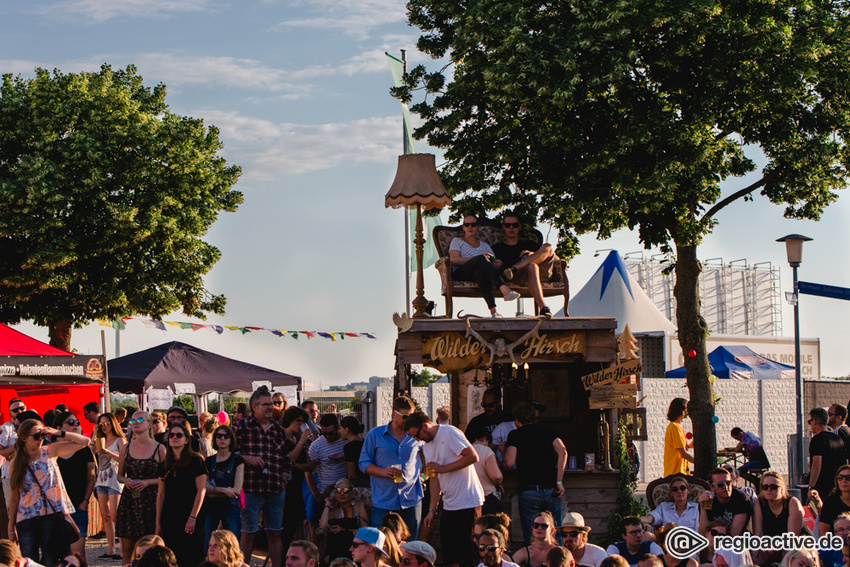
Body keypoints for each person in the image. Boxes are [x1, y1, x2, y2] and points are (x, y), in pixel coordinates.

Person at [7, 418, 91, 567]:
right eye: (36, 436)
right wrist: (10, 527)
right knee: (28, 561)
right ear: (24, 437)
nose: (41, 439)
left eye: (43, 435)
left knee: (52, 560)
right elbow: (14, 496)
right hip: (26, 518)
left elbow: (84, 441)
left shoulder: (50, 451)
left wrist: (58, 432)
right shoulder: (16, 461)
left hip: (51, 516)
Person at [406, 411, 484, 567]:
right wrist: (431, 511)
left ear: (425, 426)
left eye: (417, 435)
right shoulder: (426, 446)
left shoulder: (449, 432)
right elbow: (434, 479)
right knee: (449, 554)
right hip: (449, 504)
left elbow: (473, 456)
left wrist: (444, 468)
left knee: (467, 554)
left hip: (467, 500)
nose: (417, 439)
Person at [232, 386, 289, 567]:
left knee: (275, 532)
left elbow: (285, 457)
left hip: (274, 487)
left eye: (271, 404)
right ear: (254, 406)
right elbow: (229, 454)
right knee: (248, 532)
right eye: (265, 405)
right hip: (250, 487)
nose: (270, 407)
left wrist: (284, 480)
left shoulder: (278, 429)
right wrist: (248, 458)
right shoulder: (241, 426)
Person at [359, 396, 424, 536]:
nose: (409, 420)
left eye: (412, 416)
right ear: (393, 414)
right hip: (384, 500)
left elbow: (430, 460)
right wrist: (384, 472)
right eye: (405, 416)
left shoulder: (416, 435)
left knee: (410, 545)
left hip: (410, 499)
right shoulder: (375, 435)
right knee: (381, 543)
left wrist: (423, 476)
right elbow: (363, 463)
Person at [504, 402, 567, 544]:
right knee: (555, 534)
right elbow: (563, 451)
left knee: (532, 537)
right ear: (534, 418)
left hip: (529, 490)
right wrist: (559, 481)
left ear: (517, 421)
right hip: (551, 489)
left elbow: (509, 462)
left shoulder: (515, 434)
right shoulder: (548, 432)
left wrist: (503, 451)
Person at [115, 411, 166, 564]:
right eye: (132, 420)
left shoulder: (160, 449)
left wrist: (148, 482)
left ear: (150, 424)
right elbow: (119, 475)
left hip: (151, 502)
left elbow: (167, 479)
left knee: (152, 551)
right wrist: (126, 480)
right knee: (127, 552)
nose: (135, 422)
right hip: (130, 501)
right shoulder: (126, 448)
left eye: (139, 419)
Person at [155, 422, 207, 567]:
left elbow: (201, 490)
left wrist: (193, 517)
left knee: (191, 556)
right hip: (170, 516)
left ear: (186, 440)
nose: (174, 438)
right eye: (171, 435)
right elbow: (161, 495)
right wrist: (158, 522)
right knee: (172, 557)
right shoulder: (164, 465)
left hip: (191, 515)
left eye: (179, 435)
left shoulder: (196, 461)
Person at [450, 214, 520, 317]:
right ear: (463, 227)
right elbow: (454, 259)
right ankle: (503, 288)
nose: (470, 227)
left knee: (480, 272)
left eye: (473, 224)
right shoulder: (457, 241)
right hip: (461, 272)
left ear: (478, 227)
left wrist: (498, 263)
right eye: (467, 224)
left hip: (476, 274)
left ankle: (493, 311)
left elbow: (491, 262)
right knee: (481, 258)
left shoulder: (484, 245)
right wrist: (476, 259)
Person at [492, 211, 556, 315]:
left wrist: (534, 254)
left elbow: (553, 255)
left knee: (548, 247)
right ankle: (543, 308)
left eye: (515, 225)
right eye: (508, 225)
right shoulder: (498, 248)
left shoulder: (529, 244)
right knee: (532, 266)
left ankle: (515, 267)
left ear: (519, 227)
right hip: (516, 276)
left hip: (540, 274)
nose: (511, 228)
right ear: (503, 227)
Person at [53, 411, 95, 556]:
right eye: (70, 423)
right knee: (59, 552)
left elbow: (91, 478)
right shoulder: (51, 450)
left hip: (78, 504)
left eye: (77, 422)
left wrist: (85, 500)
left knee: (77, 552)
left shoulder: (84, 450)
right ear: (59, 427)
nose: (76, 425)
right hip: (57, 508)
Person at [205, 424, 244, 552]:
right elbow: (204, 487)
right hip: (210, 506)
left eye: (226, 436)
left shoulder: (238, 461)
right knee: (207, 543)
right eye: (219, 436)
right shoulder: (208, 461)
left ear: (231, 439)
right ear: (214, 439)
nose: (222, 439)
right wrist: (224, 490)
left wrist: (214, 490)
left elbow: (236, 490)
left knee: (233, 543)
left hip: (230, 506)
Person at [305, 413, 349, 528]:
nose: (328, 437)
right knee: (323, 526)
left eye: (331, 433)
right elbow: (308, 471)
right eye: (324, 434)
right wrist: (316, 494)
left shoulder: (346, 441)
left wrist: (344, 457)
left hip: (345, 492)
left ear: (337, 427)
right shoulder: (317, 446)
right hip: (326, 493)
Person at [94, 412, 127, 560]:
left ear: (113, 423)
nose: (105, 426)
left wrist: (108, 452)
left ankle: (123, 549)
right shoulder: (100, 439)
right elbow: (92, 451)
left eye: (107, 423)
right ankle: (111, 549)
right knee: (106, 516)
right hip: (101, 479)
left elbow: (124, 459)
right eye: (102, 423)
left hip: (114, 479)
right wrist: (94, 437)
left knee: (115, 515)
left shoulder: (120, 440)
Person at [752, 471, 804, 563]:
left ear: (781, 489)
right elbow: (758, 534)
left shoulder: (792, 502)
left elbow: (792, 538)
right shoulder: (759, 503)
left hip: (794, 543)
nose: (769, 490)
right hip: (771, 544)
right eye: (765, 487)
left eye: (773, 487)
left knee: (788, 554)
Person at [281, 407, 311, 550]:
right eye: (298, 421)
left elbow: (306, 463)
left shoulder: (298, 438)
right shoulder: (282, 437)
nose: (301, 424)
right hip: (287, 487)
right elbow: (289, 460)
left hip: (300, 485)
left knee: (297, 525)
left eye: (303, 421)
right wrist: (301, 443)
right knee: (287, 527)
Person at [319, 478, 369, 563]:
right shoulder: (334, 512)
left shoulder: (359, 507)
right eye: (339, 491)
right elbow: (323, 526)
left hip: (355, 544)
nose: (342, 493)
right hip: (337, 547)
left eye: (346, 491)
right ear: (335, 493)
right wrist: (327, 505)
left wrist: (345, 530)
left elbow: (366, 530)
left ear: (352, 493)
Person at [809, 407, 849, 504]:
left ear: (814, 421)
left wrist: (811, 486)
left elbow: (817, 465)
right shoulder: (837, 438)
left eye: (810, 421)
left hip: (822, 487)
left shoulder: (817, 439)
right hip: (837, 486)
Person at [698, 468, 752, 537]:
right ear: (712, 487)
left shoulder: (739, 498)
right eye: (720, 485)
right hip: (714, 542)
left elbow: (734, 535)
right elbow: (703, 534)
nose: (726, 487)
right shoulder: (709, 500)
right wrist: (703, 508)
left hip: (739, 543)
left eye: (728, 483)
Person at [470, 426, 503, 515]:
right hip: (487, 497)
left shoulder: (465, 451)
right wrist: (499, 483)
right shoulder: (486, 450)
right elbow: (496, 476)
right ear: (484, 438)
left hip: (468, 500)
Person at [0, 399, 28, 502]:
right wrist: (18, 444)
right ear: (10, 413)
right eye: (16, 410)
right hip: (10, 476)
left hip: (28, 474)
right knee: (13, 512)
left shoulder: (31, 427)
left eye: (22, 408)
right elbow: (0, 454)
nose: (20, 411)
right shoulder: (6, 428)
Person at [816, 464, 850, 537]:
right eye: (840, 478)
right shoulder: (831, 501)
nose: (843, 481)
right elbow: (823, 533)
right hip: (836, 544)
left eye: (848, 478)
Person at [663, 399, 693, 477]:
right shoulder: (674, 427)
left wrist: (689, 446)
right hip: (675, 472)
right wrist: (699, 463)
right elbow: (682, 453)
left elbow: (679, 448)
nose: (688, 411)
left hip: (680, 471)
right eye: (686, 409)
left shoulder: (678, 426)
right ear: (680, 410)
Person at [340, 415, 367, 487]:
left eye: (340, 428)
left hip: (359, 485)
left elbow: (351, 475)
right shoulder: (364, 442)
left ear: (347, 429)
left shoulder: (349, 447)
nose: (339, 431)